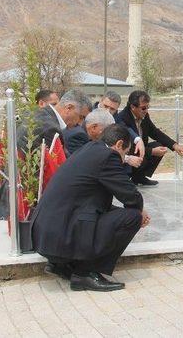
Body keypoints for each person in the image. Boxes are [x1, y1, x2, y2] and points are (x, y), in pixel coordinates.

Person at [31, 124, 151, 292]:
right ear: (118, 144)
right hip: (61, 235)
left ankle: (61, 265)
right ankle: (85, 273)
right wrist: (140, 210)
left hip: (48, 235)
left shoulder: (89, 149)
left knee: (117, 212)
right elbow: (129, 194)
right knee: (132, 218)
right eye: (125, 152)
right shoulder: (108, 156)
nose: (123, 157)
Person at [116, 90, 183, 186]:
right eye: (143, 108)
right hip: (126, 156)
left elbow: (155, 132)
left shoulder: (144, 115)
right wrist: (152, 151)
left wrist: (174, 145)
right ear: (133, 107)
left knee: (160, 145)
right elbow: (130, 147)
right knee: (150, 150)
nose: (146, 110)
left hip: (141, 151)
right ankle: (130, 177)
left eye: (147, 107)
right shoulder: (122, 118)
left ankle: (139, 177)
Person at [18, 89, 92, 153]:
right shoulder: (51, 129)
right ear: (69, 108)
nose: (80, 123)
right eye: (81, 117)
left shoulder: (39, 114)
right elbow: (57, 165)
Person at [63, 109, 143, 168]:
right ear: (94, 127)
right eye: (107, 131)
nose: (109, 135)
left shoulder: (84, 132)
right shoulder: (78, 135)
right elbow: (91, 160)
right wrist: (127, 159)